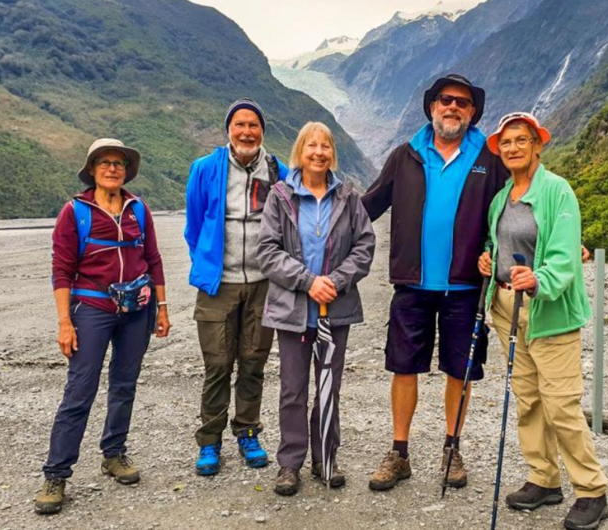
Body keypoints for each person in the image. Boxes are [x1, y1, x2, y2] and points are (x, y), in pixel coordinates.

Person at [362, 74, 509, 491]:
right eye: (446, 100)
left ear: (473, 112)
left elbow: (516, 208)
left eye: (463, 103)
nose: (453, 107)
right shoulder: (405, 155)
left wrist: (563, 241)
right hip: (413, 284)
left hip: (465, 287)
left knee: (459, 370)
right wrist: (313, 228)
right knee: (404, 367)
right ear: (431, 107)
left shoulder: (489, 157)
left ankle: (452, 449)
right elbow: (367, 207)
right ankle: (400, 453)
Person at [478, 112, 608, 530]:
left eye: (521, 140)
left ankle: (591, 491)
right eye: (506, 143)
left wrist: (540, 279)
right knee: (529, 400)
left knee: (561, 405)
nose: (513, 148)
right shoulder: (502, 197)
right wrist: (489, 258)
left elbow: (566, 253)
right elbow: (498, 241)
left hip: (547, 311)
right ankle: (544, 478)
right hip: (505, 309)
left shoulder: (557, 191)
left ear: (538, 145)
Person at [36, 138, 171, 515]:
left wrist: (161, 307)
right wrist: (65, 323)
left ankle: (114, 454)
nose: (113, 168)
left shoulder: (138, 209)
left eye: (119, 163)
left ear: (126, 170)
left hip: (137, 310)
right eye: (105, 163)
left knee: (124, 384)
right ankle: (56, 473)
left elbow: (153, 260)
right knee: (80, 390)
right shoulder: (74, 212)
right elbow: (61, 270)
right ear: (92, 170)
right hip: (92, 309)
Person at [258, 122, 375, 496]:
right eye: (312, 145)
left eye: (326, 146)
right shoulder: (280, 196)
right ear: (300, 151)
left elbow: (364, 247)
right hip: (293, 310)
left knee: (329, 387)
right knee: (293, 389)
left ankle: (326, 457)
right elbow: (268, 252)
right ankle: (290, 463)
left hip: (335, 311)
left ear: (332, 154)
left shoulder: (348, 196)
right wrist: (309, 281)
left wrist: (336, 281)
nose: (319, 152)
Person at [184, 98, 289, 474]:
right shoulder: (205, 169)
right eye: (240, 124)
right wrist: (207, 263)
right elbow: (194, 225)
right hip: (218, 284)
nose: (247, 131)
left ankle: (247, 432)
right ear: (228, 128)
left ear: (263, 131)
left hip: (263, 283)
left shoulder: (278, 170)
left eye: (254, 125)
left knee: (253, 363)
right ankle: (209, 441)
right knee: (216, 366)